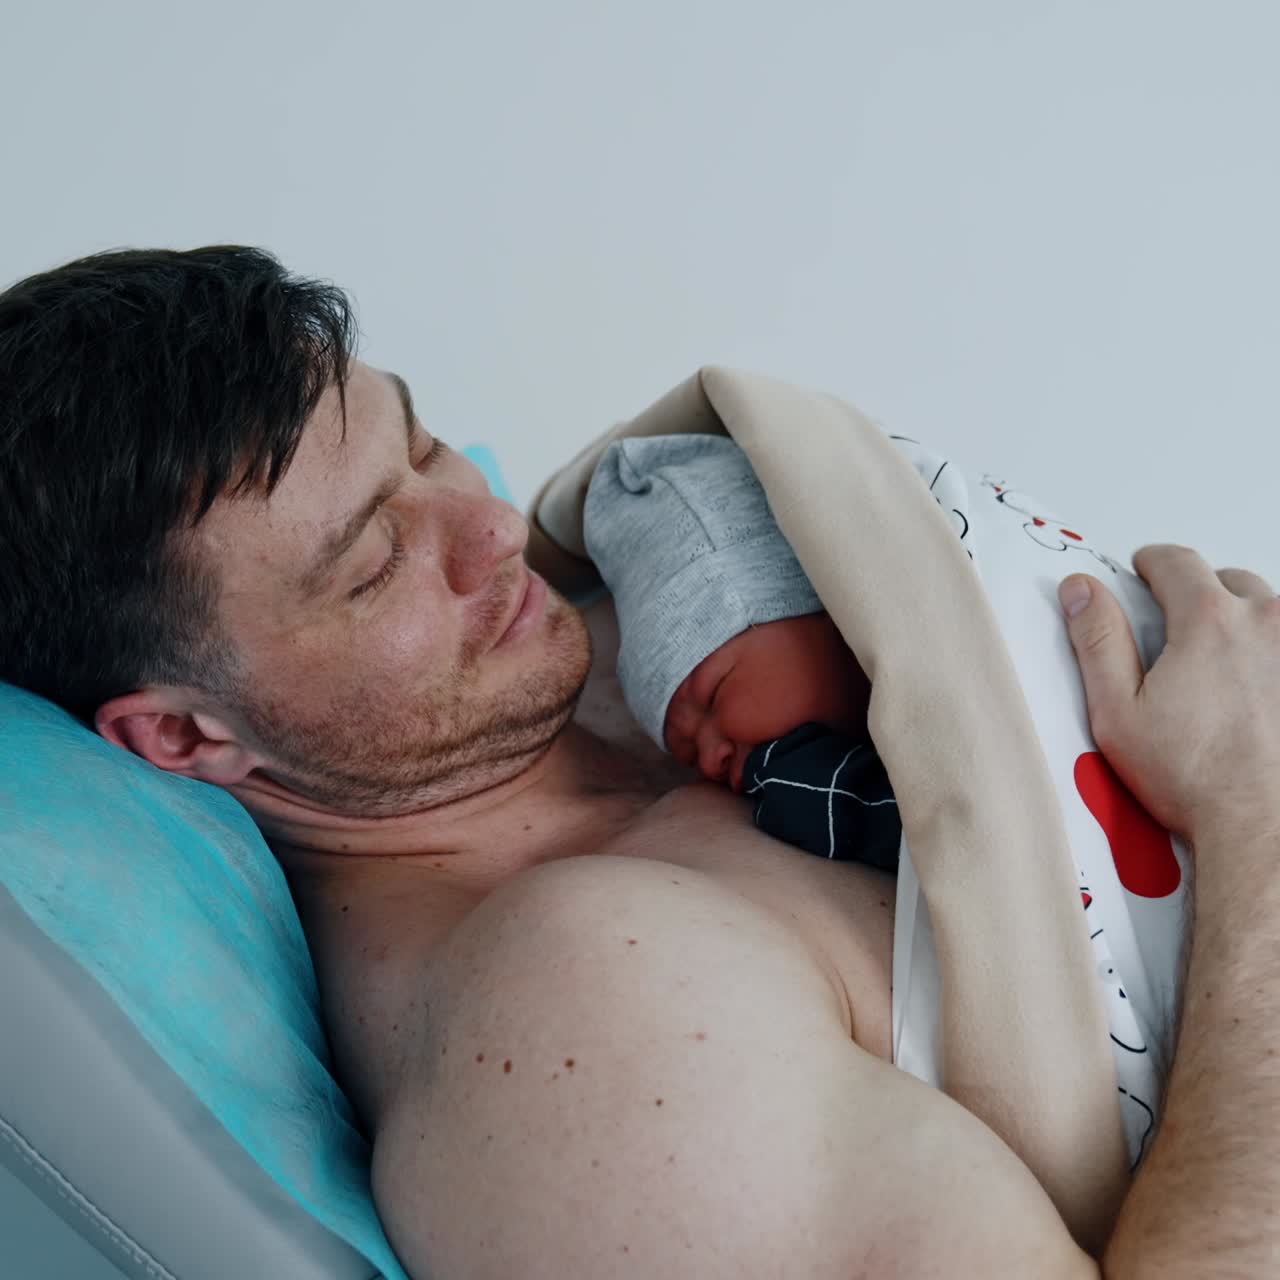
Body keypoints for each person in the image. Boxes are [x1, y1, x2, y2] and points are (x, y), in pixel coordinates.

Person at [1, 245, 1277, 1278]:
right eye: (374, 560)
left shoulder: (653, 605)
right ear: (184, 734)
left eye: (425, 444)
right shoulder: (575, 1042)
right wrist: (1253, 829)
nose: (492, 526)